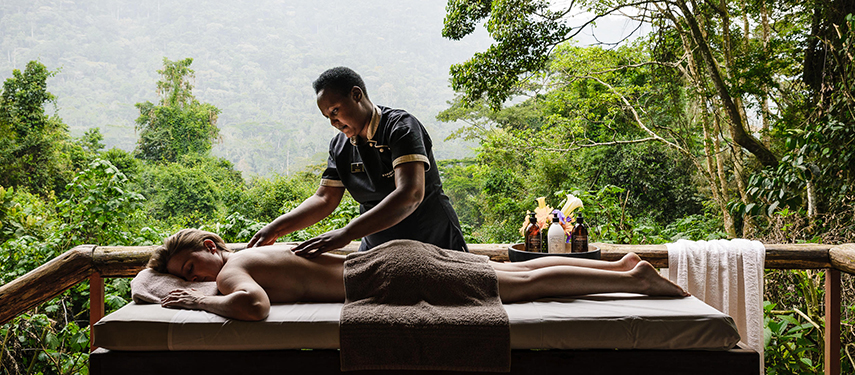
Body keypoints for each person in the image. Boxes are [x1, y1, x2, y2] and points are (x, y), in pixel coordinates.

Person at [151, 229, 688, 321]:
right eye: (188, 278)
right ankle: (619, 265)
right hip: (395, 256)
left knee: (523, 286)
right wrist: (187, 289)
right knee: (511, 271)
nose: (196, 279)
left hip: (389, 275)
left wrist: (197, 303)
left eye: (192, 268)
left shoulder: (232, 273)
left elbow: (254, 308)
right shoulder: (251, 254)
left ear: (209, 247)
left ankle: (636, 281)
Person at [247, 67, 467, 256]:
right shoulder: (340, 147)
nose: (333, 122)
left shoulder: (400, 128)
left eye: (335, 111)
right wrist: (275, 229)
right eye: (328, 117)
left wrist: (347, 233)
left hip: (433, 240)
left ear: (356, 94)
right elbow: (324, 199)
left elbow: (410, 194)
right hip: (378, 249)